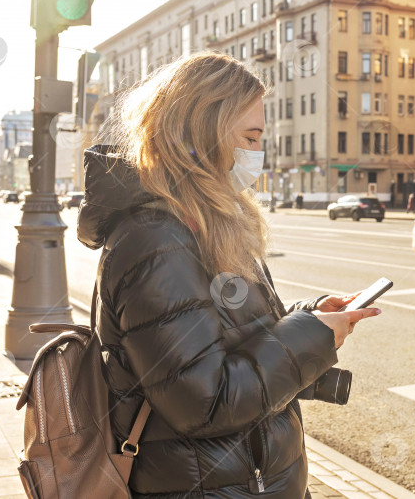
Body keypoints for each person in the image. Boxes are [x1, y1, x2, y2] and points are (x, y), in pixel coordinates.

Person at [77, 52, 380, 499]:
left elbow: (232, 340)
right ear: (203, 133)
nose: (258, 153)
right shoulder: (156, 240)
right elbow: (203, 402)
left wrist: (311, 321)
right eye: (250, 137)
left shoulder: (203, 224)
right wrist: (307, 339)